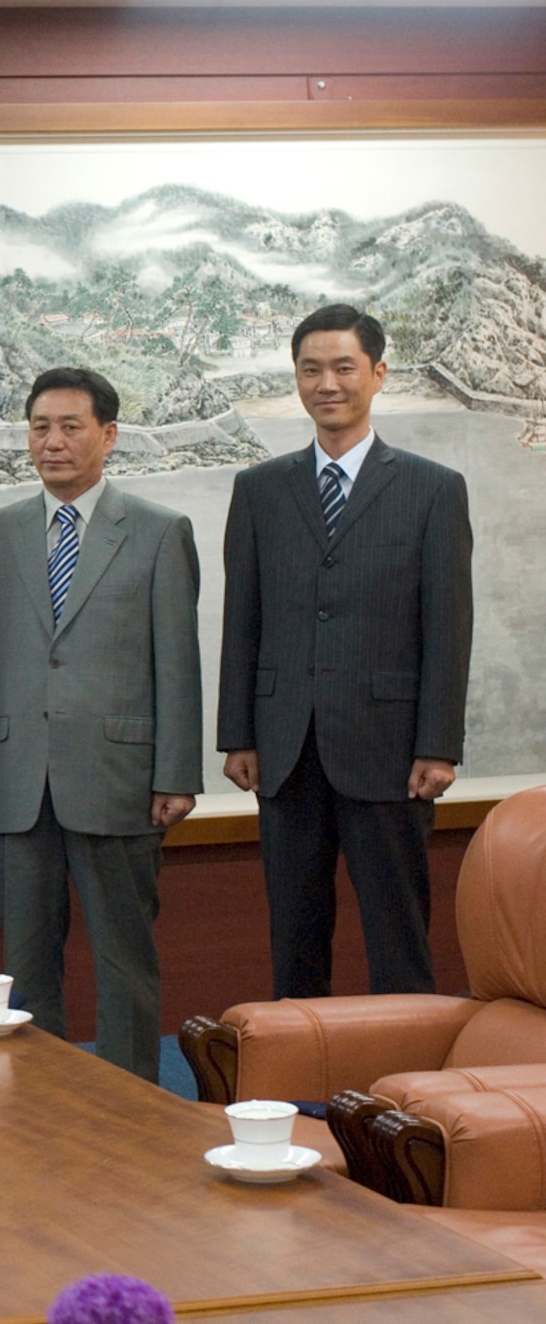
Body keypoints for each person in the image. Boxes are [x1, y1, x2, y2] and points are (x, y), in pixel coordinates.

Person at [0, 368, 201, 1082]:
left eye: (71, 426)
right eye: (40, 427)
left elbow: (177, 665)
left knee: (125, 960)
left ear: (109, 435)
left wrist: (177, 775)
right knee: (25, 965)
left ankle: (129, 1116)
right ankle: (40, 1108)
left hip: (119, 777)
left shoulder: (158, 532)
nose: (53, 441)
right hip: (16, 775)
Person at [217, 305, 472, 999]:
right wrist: (237, 732)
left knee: (399, 936)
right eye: (310, 368)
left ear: (378, 374)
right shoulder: (260, 490)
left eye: (342, 367)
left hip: (391, 751)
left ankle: (408, 1091)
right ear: (297, 379)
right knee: (294, 938)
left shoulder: (432, 489)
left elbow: (448, 627)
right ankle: (301, 1088)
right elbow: (244, 618)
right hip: (285, 747)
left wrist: (439, 744)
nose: (326, 382)